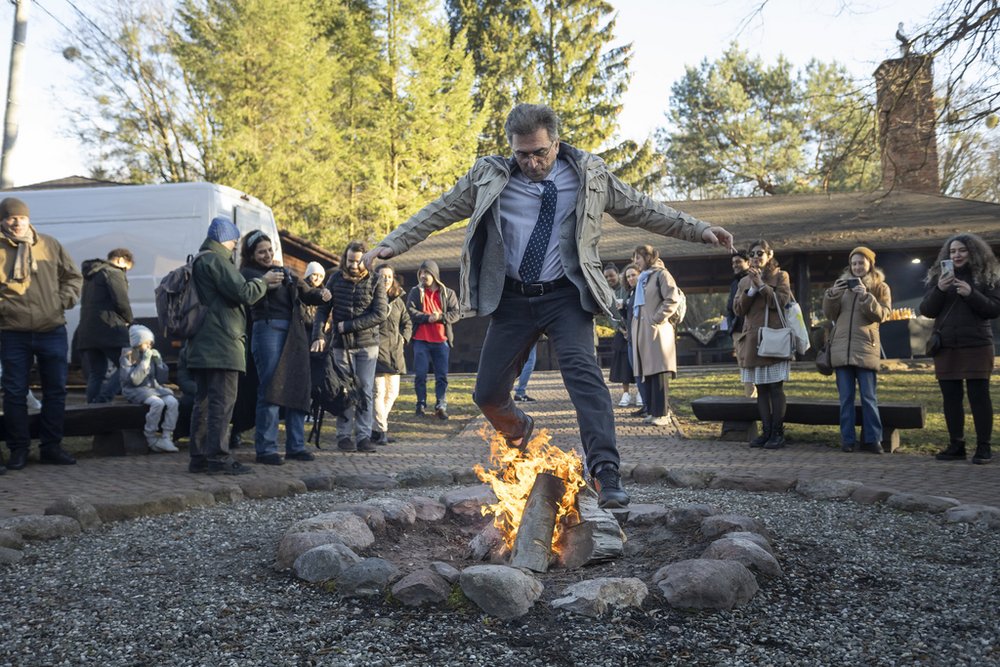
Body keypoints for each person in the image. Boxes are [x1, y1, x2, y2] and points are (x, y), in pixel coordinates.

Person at [362, 103, 733, 508]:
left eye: (540, 152)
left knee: (585, 380)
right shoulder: (489, 176)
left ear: (556, 142)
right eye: (522, 154)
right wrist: (394, 242)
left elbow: (644, 208)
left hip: (566, 295)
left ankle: (606, 471)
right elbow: (439, 210)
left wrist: (699, 229)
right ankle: (522, 433)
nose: (532, 162)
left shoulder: (590, 175)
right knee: (486, 393)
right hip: (512, 299)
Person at [187, 216, 283, 475]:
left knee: (204, 401)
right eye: (234, 241)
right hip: (222, 341)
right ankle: (218, 458)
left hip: (202, 342)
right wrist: (264, 282)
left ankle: (199, 457)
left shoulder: (199, 258)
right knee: (222, 402)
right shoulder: (217, 260)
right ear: (226, 238)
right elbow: (244, 293)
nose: (235, 247)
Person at [0, 197, 83, 471]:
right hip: (13, 331)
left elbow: (73, 276)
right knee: (14, 393)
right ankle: (18, 449)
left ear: (28, 219)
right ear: (2, 221)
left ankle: (51, 447)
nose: (16, 222)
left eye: (21, 218)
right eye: (10, 218)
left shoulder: (49, 244)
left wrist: (62, 300)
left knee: (56, 390)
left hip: (52, 328)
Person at [240, 232, 330, 465]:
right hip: (267, 329)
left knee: (298, 385)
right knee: (271, 387)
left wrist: (322, 295)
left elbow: (308, 293)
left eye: (269, 250)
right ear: (251, 255)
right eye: (261, 252)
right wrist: (265, 281)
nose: (267, 255)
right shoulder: (249, 274)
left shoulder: (285, 272)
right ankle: (267, 449)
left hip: (295, 332)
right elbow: (248, 297)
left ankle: (296, 446)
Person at [919, 233, 1000, 465]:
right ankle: (957, 444)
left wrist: (971, 293)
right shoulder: (939, 277)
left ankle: (984, 447)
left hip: (976, 343)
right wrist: (940, 290)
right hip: (946, 345)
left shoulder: (988, 277)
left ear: (973, 253)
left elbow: (994, 309)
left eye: (962, 250)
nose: (957, 255)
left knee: (979, 397)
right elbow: (927, 310)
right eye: (953, 251)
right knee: (951, 397)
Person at [311, 241, 388, 453]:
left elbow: (380, 314)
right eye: (350, 260)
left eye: (358, 261)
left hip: (366, 344)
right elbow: (321, 310)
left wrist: (349, 326)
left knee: (365, 389)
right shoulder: (335, 279)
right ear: (344, 259)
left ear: (366, 261)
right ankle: (343, 435)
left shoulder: (375, 281)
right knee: (343, 391)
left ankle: (363, 436)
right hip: (340, 345)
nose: (354, 265)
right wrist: (318, 335)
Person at [822, 247, 892, 454]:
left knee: (869, 398)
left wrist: (866, 296)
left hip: (866, 348)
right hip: (841, 349)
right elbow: (829, 314)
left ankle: (873, 440)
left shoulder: (880, 287)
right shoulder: (842, 286)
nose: (857, 267)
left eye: (861, 263)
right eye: (854, 263)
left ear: (870, 264)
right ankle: (847, 440)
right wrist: (832, 295)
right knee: (845, 399)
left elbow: (883, 315)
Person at [733, 239, 793, 450]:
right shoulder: (743, 282)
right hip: (753, 339)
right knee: (761, 388)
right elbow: (738, 310)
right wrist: (751, 289)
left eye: (760, 253)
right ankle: (766, 432)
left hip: (774, 337)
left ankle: (778, 433)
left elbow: (780, 302)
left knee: (775, 387)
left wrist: (762, 286)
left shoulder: (781, 276)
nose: (756, 257)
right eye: (752, 254)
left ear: (769, 255)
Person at [630, 245, 681, 427]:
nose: (635, 261)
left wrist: (657, 318)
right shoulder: (645, 277)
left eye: (638, 257)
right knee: (649, 372)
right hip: (644, 331)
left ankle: (663, 413)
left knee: (658, 371)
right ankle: (653, 411)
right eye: (634, 258)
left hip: (657, 330)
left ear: (648, 257)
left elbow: (673, 298)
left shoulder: (661, 274)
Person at [78, 247, 134, 403]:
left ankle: (91, 406)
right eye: (126, 269)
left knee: (97, 371)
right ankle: (103, 399)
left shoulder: (91, 275)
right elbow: (121, 301)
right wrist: (130, 320)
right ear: (121, 259)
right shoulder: (114, 273)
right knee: (127, 365)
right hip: (110, 329)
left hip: (88, 330)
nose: (124, 272)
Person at [406, 259, 460, 420]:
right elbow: (410, 310)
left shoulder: (447, 293)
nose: (423, 276)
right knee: (420, 374)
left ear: (434, 274)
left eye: (426, 273)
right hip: (420, 340)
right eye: (421, 273)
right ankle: (420, 404)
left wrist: (440, 317)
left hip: (441, 340)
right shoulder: (415, 292)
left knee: (441, 376)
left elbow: (456, 313)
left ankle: (441, 405)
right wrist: (426, 318)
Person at [120, 324, 179, 453]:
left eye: (150, 343)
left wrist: (159, 363)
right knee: (157, 403)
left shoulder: (150, 355)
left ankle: (166, 436)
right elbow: (134, 380)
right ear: (137, 343)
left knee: (173, 402)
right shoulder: (128, 356)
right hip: (134, 390)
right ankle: (150, 435)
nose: (149, 346)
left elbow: (162, 379)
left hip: (152, 388)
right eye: (146, 343)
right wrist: (144, 362)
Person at [373, 265, 412, 444]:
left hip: (395, 351)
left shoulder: (398, 300)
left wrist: (404, 338)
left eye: (389, 276)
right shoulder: (371, 297)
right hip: (377, 350)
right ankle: (382, 431)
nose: (386, 279)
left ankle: (377, 427)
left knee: (393, 392)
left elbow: (407, 322)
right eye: (383, 276)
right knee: (378, 392)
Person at [606, 263, 639, 408]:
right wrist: (621, 330)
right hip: (621, 331)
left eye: (611, 276)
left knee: (638, 362)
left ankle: (640, 392)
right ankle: (625, 393)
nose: (609, 279)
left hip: (635, 328)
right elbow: (609, 314)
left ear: (618, 275)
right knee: (623, 363)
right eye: (606, 277)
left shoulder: (628, 288)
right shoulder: (608, 292)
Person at [725, 249, 756, 399]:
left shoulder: (754, 280)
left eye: (738, 262)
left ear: (748, 262)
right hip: (738, 331)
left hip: (752, 329)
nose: (735, 265)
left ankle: (757, 399)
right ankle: (750, 398)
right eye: (733, 263)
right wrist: (731, 328)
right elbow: (729, 307)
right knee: (743, 366)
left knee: (753, 365)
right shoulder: (734, 284)